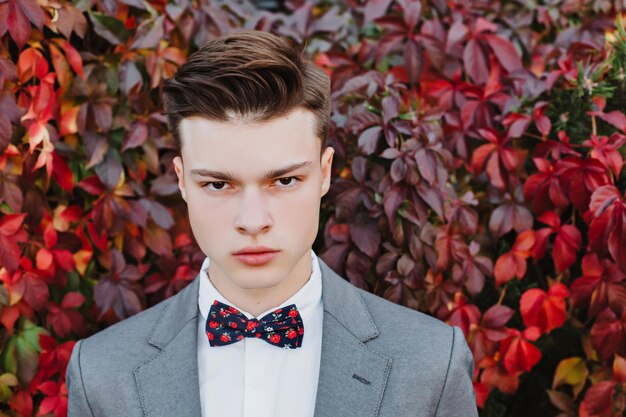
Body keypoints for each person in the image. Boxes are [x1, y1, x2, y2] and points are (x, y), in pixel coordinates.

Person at [66, 30, 478, 417]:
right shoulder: (99, 374)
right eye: (217, 183)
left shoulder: (431, 365)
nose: (253, 221)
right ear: (181, 181)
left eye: (284, 180)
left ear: (325, 173)